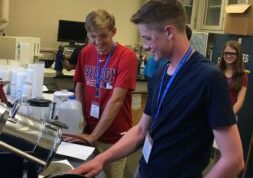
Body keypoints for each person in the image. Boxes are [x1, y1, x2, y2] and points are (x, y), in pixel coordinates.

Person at [69, 1, 244, 178]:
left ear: (169, 32)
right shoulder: (161, 73)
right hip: (146, 169)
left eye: (147, 38)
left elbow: (234, 160)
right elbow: (140, 131)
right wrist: (101, 159)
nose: (144, 46)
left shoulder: (209, 78)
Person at [64, 9, 137, 178]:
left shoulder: (127, 57)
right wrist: (81, 122)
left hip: (112, 136)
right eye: (92, 36)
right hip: (88, 131)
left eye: (103, 36)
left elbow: (117, 100)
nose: (98, 42)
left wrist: (94, 135)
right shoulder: (86, 53)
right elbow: (80, 87)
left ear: (113, 32)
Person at [218, 40, 248, 116]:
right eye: (226, 53)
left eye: (232, 53)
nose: (228, 56)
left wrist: (229, 115)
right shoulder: (215, 71)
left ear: (238, 55)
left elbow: (240, 101)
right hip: (213, 114)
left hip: (230, 115)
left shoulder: (242, 75)